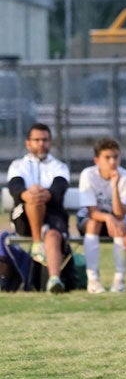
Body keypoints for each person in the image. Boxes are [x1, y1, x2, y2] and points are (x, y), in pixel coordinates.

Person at [6, 123, 71, 293]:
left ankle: (54, 280)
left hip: (52, 215)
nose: (41, 144)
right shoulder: (18, 165)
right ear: (28, 143)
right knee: (33, 197)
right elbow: (16, 188)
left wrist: (42, 194)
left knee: (53, 235)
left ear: (50, 142)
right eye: (36, 140)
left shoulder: (59, 166)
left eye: (45, 140)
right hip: (24, 217)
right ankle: (36, 243)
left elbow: (58, 188)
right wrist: (31, 194)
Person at [77, 138, 126, 293]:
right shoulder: (88, 175)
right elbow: (92, 212)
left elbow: (119, 214)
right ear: (97, 160)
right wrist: (108, 218)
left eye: (116, 157)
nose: (112, 162)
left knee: (121, 226)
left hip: (117, 221)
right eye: (107, 157)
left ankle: (119, 280)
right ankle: (93, 280)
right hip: (93, 220)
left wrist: (115, 185)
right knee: (93, 223)